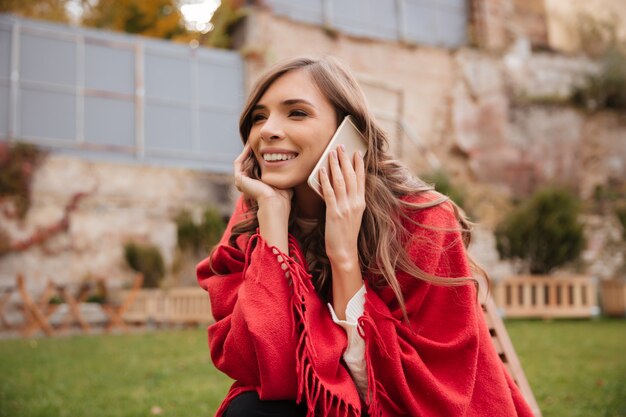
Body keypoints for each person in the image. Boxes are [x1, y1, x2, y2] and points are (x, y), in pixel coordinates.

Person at [197, 56, 534, 417]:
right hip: (320, 403)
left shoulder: (422, 219)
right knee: (252, 410)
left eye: (296, 113)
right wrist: (274, 228)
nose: (267, 130)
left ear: (349, 132)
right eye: (259, 117)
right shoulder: (257, 213)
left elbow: (407, 393)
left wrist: (343, 255)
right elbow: (267, 369)